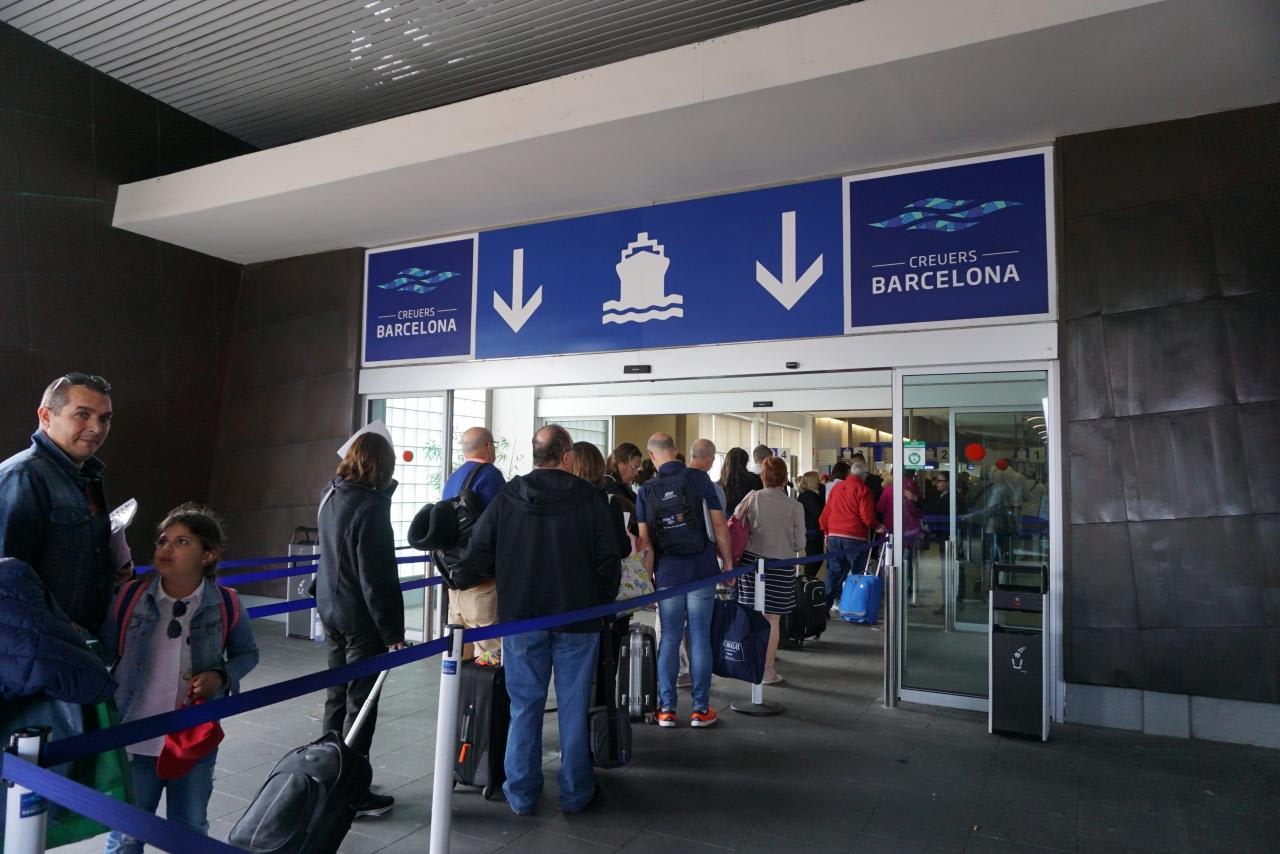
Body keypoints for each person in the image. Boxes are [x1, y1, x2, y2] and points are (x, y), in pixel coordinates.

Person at [468, 426, 620, 816]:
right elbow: (608, 560)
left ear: (536, 455)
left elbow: (478, 550)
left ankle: (521, 793)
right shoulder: (590, 498)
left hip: (521, 619)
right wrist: (601, 604)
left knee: (524, 706)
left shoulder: (508, 495)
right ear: (566, 456)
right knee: (573, 707)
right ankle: (576, 791)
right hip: (578, 617)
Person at [102, 505, 259, 854]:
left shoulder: (226, 603)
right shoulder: (129, 598)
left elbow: (247, 653)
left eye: (181, 541)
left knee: (189, 828)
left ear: (208, 555)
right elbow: (105, 652)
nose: (166, 548)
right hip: (134, 734)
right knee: (127, 833)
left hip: (193, 737)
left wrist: (221, 676)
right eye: (162, 540)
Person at [0, 372, 131, 638]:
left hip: (86, 642)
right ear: (46, 416)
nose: (97, 428)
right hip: (45, 648)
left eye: (104, 418)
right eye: (82, 414)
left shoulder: (86, 476)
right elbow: (6, 585)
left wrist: (112, 569)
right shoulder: (23, 476)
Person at [315, 432, 405, 818]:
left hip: (330, 607)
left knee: (337, 696)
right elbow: (377, 577)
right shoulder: (370, 507)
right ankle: (353, 789)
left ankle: (325, 774)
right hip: (359, 617)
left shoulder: (330, 493)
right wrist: (393, 633)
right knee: (361, 702)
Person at [636, 432, 734, 729]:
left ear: (652, 456)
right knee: (700, 636)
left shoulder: (646, 490)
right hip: (701, 569)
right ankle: (700, 709)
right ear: (676, 451)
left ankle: (666, 709)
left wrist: (647, 581)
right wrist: (728, 562)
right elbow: (719, 524)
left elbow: (645, 543)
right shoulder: (699, 479)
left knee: (670, 637)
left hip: (668, 574)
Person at [734, 457, 804, 685]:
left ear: (762, 476)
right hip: (780, 565)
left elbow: (735, 522)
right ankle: (767, 670)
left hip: (751, 563)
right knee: (773, 619)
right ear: (785, 478)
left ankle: (747, 663)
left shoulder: (752, 497)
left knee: (751, 613)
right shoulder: (794, 506)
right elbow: (800, 543)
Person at [442, 426, 506, 665]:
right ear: (488, 446)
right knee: (488, 655)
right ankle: (484, 690)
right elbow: (501, 524)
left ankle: (454, 691)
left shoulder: (453, 479)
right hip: (482, 583)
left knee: (457, 655)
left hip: (455, 581)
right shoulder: (490, 476)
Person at [818, 457, 883, 611]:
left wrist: (827, 533)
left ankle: (823, 607)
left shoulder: (836, 488)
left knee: (833, 572)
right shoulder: (864, 489)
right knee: (857, 574)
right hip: (855, 536)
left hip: (834, 536)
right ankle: (855, 607)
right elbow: (866, 516)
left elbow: (825, 514)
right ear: (863, 475)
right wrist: (877, 526)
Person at [877, 474, 923, 597]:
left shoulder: (888, 490)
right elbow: (920, 510)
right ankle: (907, 585)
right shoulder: (913, 489)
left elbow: (879, 508)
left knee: (888, 560)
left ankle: (888, 587)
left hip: (891, 531)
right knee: (907, 560)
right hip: (909, 532)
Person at [603, 442, 643, 533]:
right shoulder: (608, 485)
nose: (636, 473)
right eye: (634, 467)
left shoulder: (624, 486)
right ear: (619, 463)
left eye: (637, 469)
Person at [796, 471, 826, 579]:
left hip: (811, 531)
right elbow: (819, 512)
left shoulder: (805, 495)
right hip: (812, 532)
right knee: (814, 559)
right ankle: (807, 580)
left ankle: (808, 580)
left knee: (815, 558)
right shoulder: (809, 496)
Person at [720, 446, 763, 516]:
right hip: (751, 521)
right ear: (746, 462)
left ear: (727, 462)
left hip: (726, 521)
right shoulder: (755, 480)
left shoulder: (719, 484)